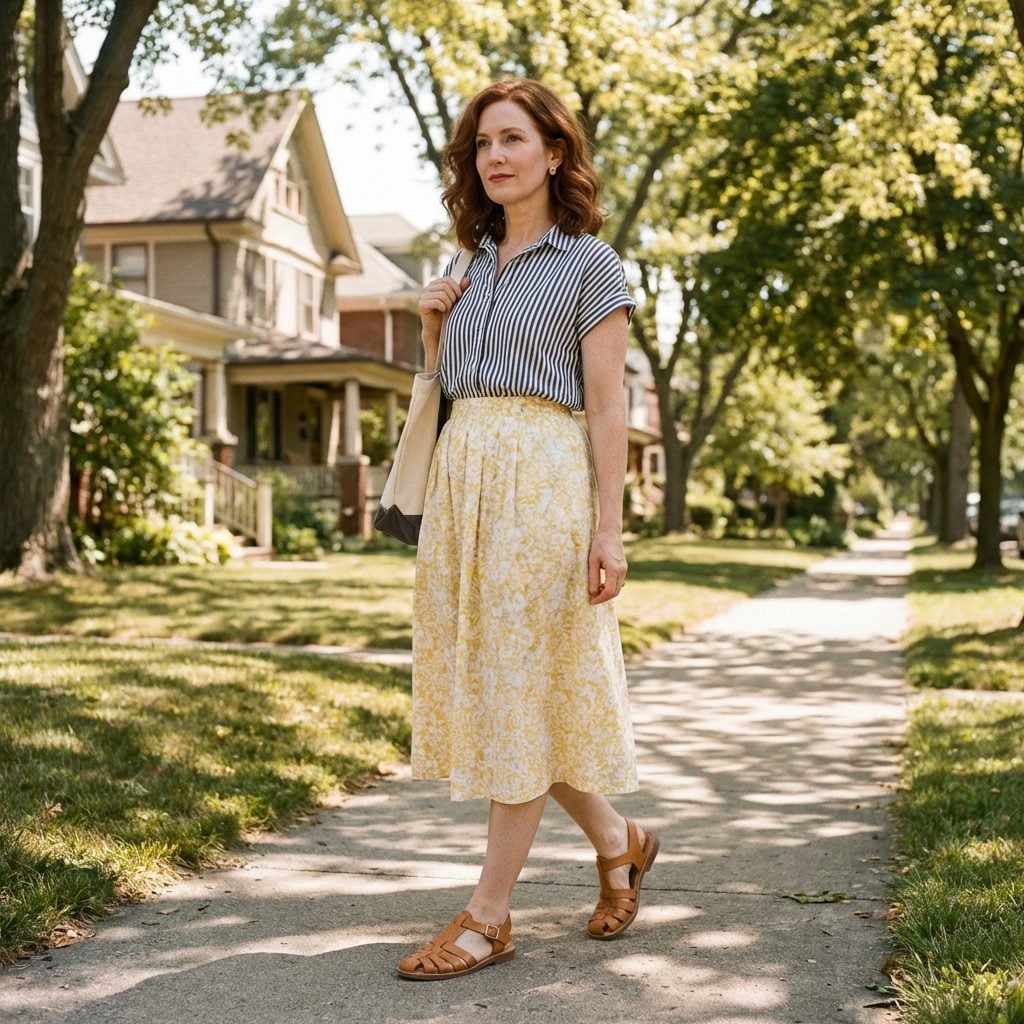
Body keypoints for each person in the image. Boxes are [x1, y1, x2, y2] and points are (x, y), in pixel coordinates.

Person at [396, 79, 658, 981]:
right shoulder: (466, 263)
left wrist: (609, 529)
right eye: (481, 144)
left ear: (554, 152)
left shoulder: (593, 263)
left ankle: (487, 916)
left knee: (519, 687)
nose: (494, 156)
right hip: (467, 484)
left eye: (512, 139)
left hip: (543, 487)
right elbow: (448, 395)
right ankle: (621, 842)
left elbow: (608, 404)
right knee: (514, 693)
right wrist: (434, 332)